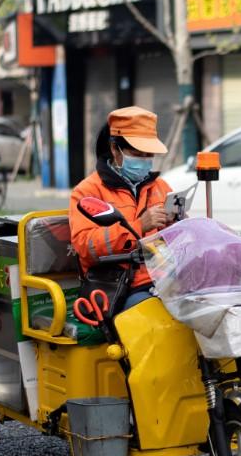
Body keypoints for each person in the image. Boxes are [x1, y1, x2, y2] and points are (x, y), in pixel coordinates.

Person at [70, 106, 173, 311]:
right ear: (115, 149)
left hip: (164, 280)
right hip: (118, 286)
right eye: (137, 154)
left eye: (148, 155)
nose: (144, 161)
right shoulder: (88, 191)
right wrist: (138, 226)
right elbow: (85, 246)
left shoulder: (160, 188)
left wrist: (178, 224)